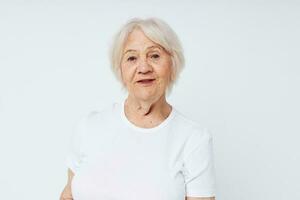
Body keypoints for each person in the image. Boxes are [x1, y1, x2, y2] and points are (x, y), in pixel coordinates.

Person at [60, 17, 216, 200]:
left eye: (154, 56)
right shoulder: (88, 127)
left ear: (173, 64)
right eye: (132, 58)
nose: (143, 67)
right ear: (120, 69)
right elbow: (67, 195)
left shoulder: (194, 140)